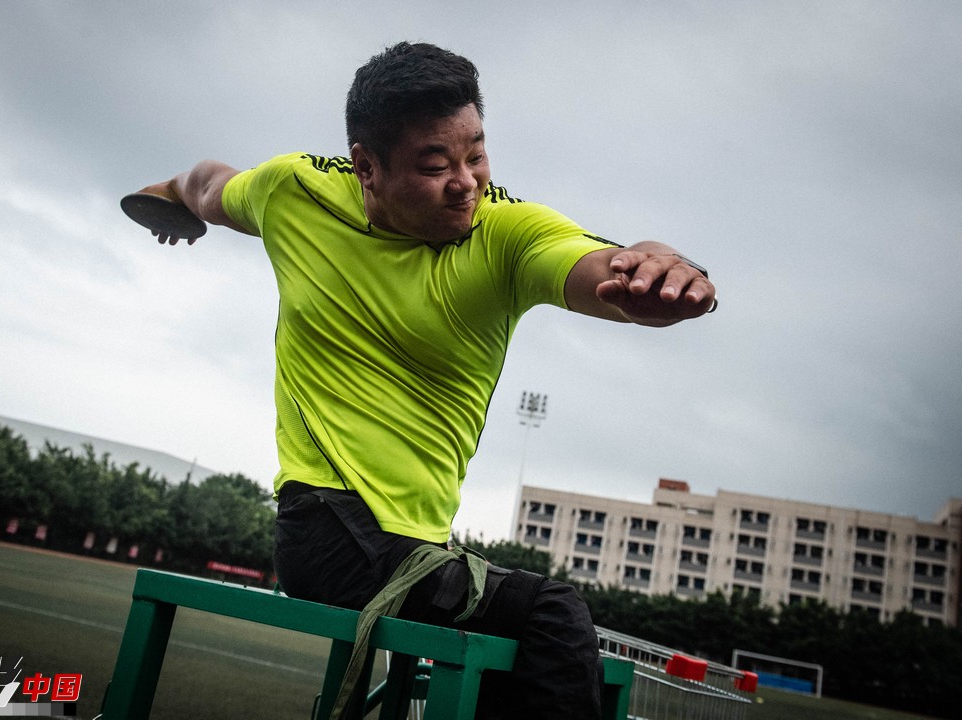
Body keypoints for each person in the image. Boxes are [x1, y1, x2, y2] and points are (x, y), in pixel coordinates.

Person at [134, 41, 715, 719]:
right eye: (436, 166)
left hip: (417, 548)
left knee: (508, 659)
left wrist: (663, 269)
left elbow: (602, 262)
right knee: (552, 614)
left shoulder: (506, 235)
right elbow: (209, 184)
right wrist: (173, 195)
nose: (466, 182)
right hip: (327, 526)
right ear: (366, 167)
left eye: (477, 155)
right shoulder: (295, 192)